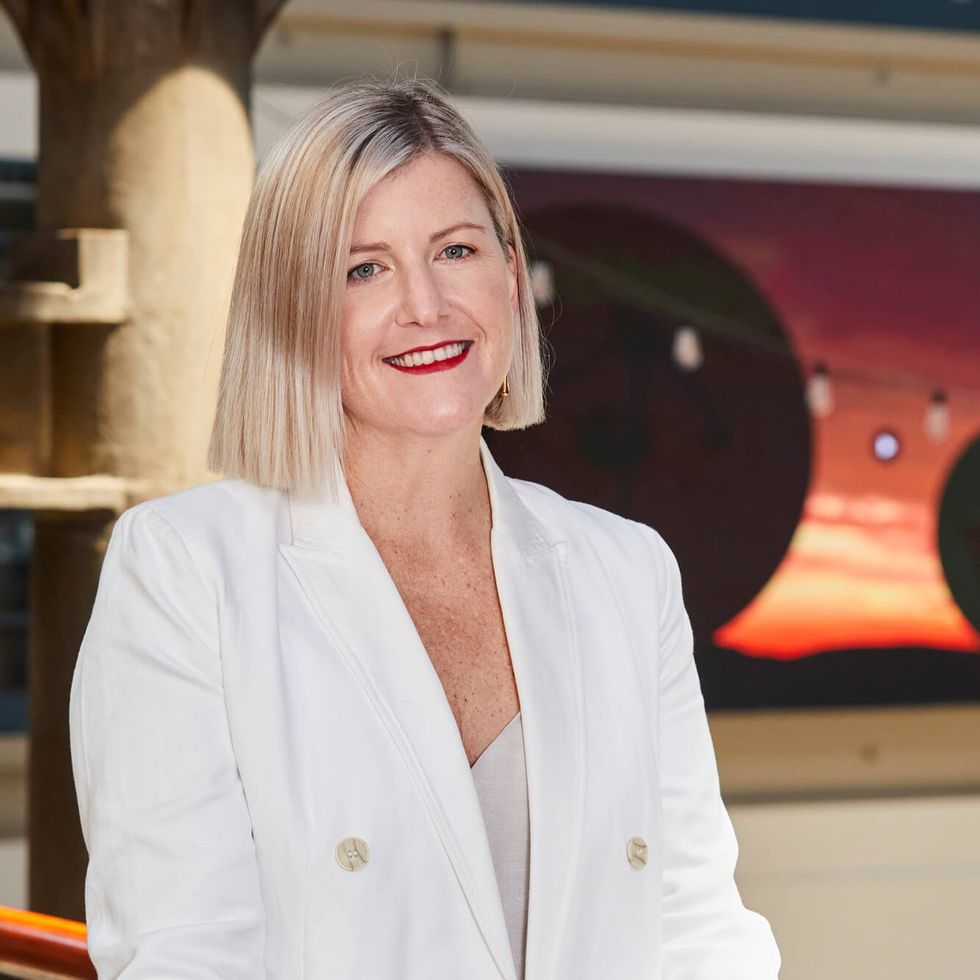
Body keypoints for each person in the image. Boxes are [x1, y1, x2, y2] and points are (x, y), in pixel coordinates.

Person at [68, 74, 781, 979]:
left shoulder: (627, 572)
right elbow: (184, 955)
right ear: (291, 314)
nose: (426, 306)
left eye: (454, 251)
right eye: (363, 267)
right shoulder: (183, 572)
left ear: (512, 275)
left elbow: (698, 928)